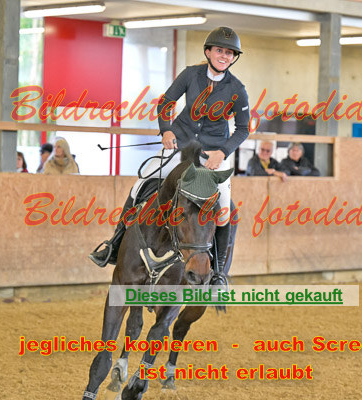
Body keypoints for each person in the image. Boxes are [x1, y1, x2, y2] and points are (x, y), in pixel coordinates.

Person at [88, 26, 250, 288]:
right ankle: (114, 244)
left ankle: (219, 272)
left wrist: (222, 152)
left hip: (214, 155)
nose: (224, 56)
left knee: (224, 209)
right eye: (219, 50)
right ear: (208, 52)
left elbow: (243, 129)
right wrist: (166, 130)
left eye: (229, 53)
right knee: (141, 184)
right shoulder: (190, 74)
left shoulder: (237, 89)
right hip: (180, 147)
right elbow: (165, 103)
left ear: (233, 58)